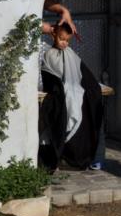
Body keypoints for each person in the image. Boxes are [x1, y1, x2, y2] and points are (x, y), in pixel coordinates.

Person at [38, 23, 103, 172]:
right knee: (66, 106)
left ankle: (82, 157)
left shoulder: (70, 53)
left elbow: (81, 72)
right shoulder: (49, 54)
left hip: (73, 91)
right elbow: (52, 76)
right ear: (54, 35)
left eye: (67, 40)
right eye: (61, 39)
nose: (64, 43)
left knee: (90, 100)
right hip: (60, 92)